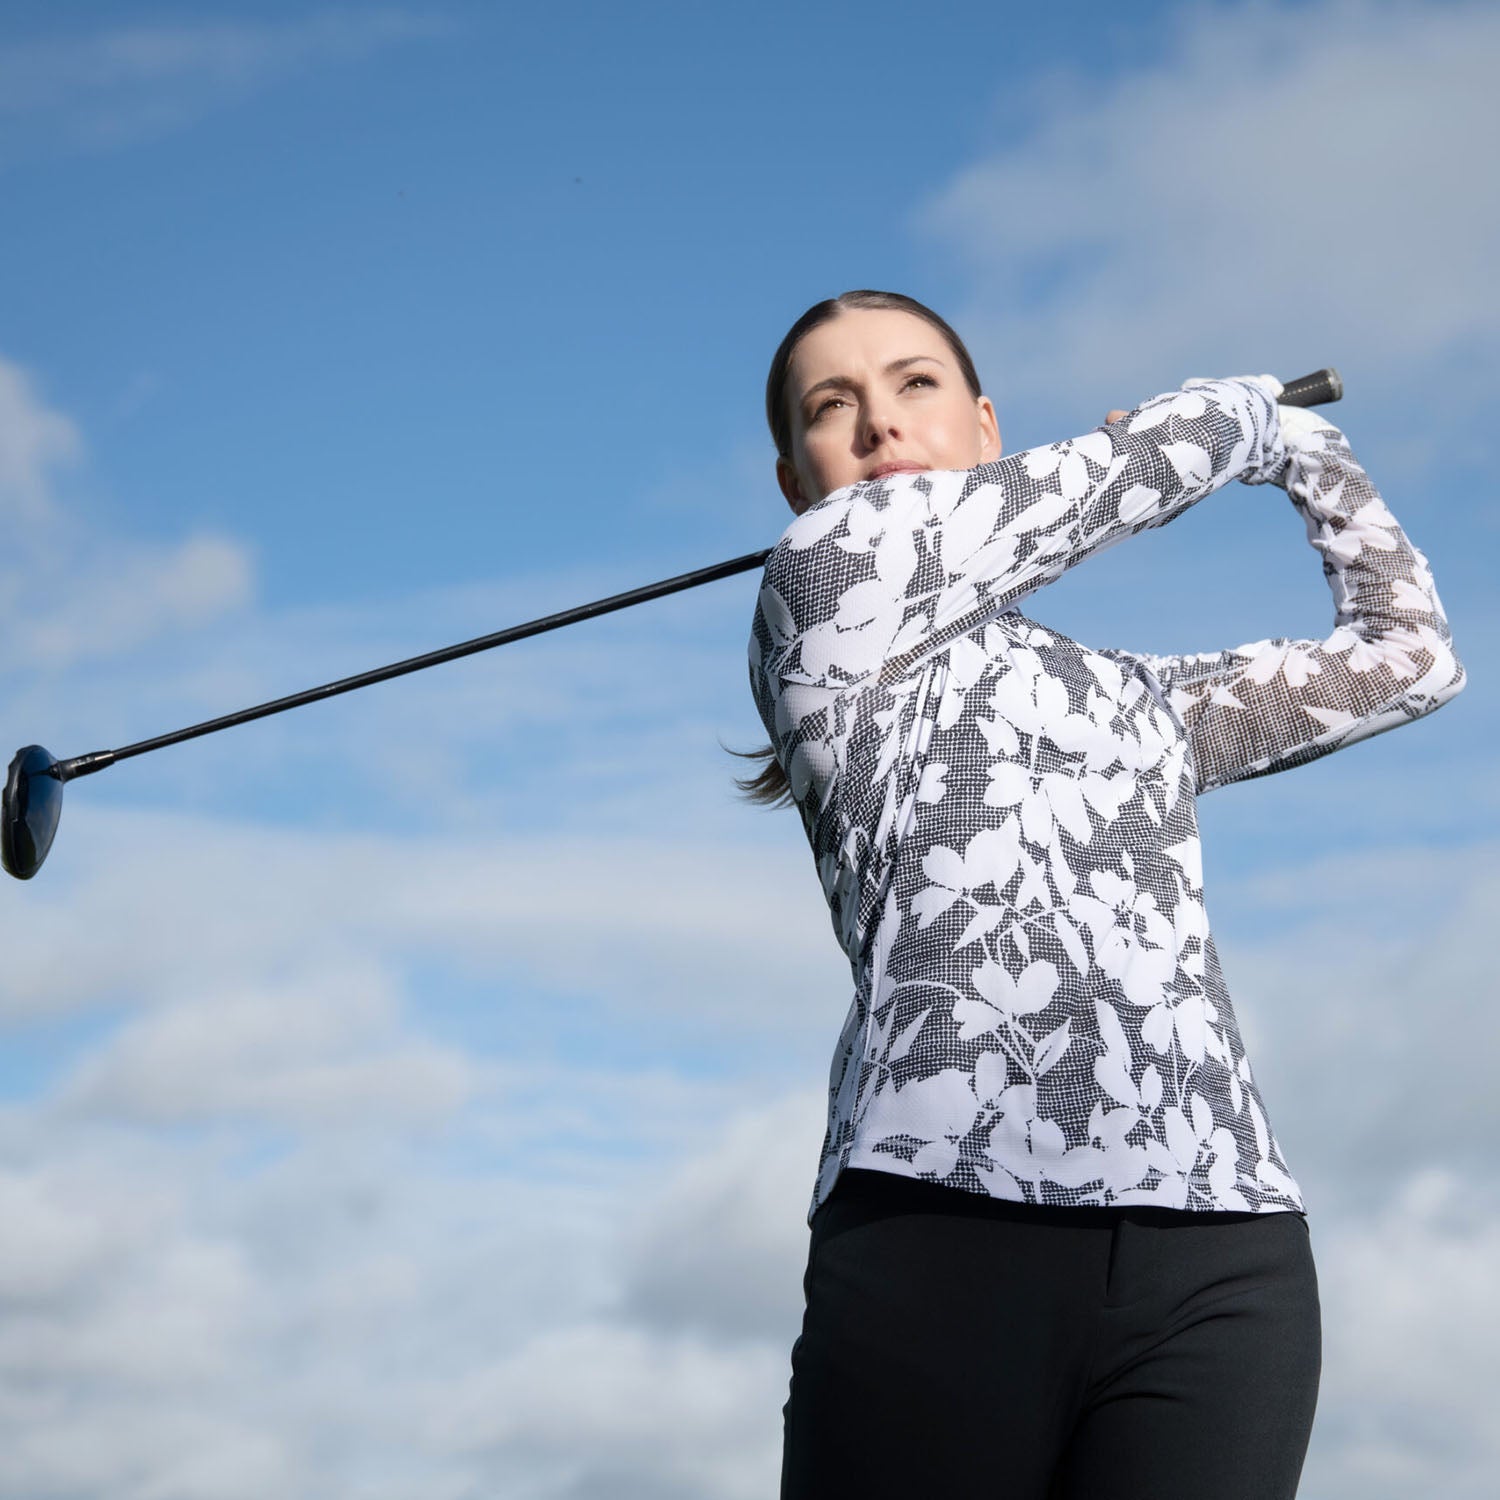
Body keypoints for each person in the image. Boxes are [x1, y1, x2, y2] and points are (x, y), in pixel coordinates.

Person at [744, 290, 1465, 1500]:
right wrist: (1232, 417)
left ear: (985, 429)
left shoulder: (1139, 702)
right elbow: (1142, 468)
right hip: (941, 1230)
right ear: (796, 477)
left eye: (915, 385)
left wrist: (1309, 452)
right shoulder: (823, 580)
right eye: (834, 406)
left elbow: (1411, 657)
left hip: (1225, 1247)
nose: (878, 424)